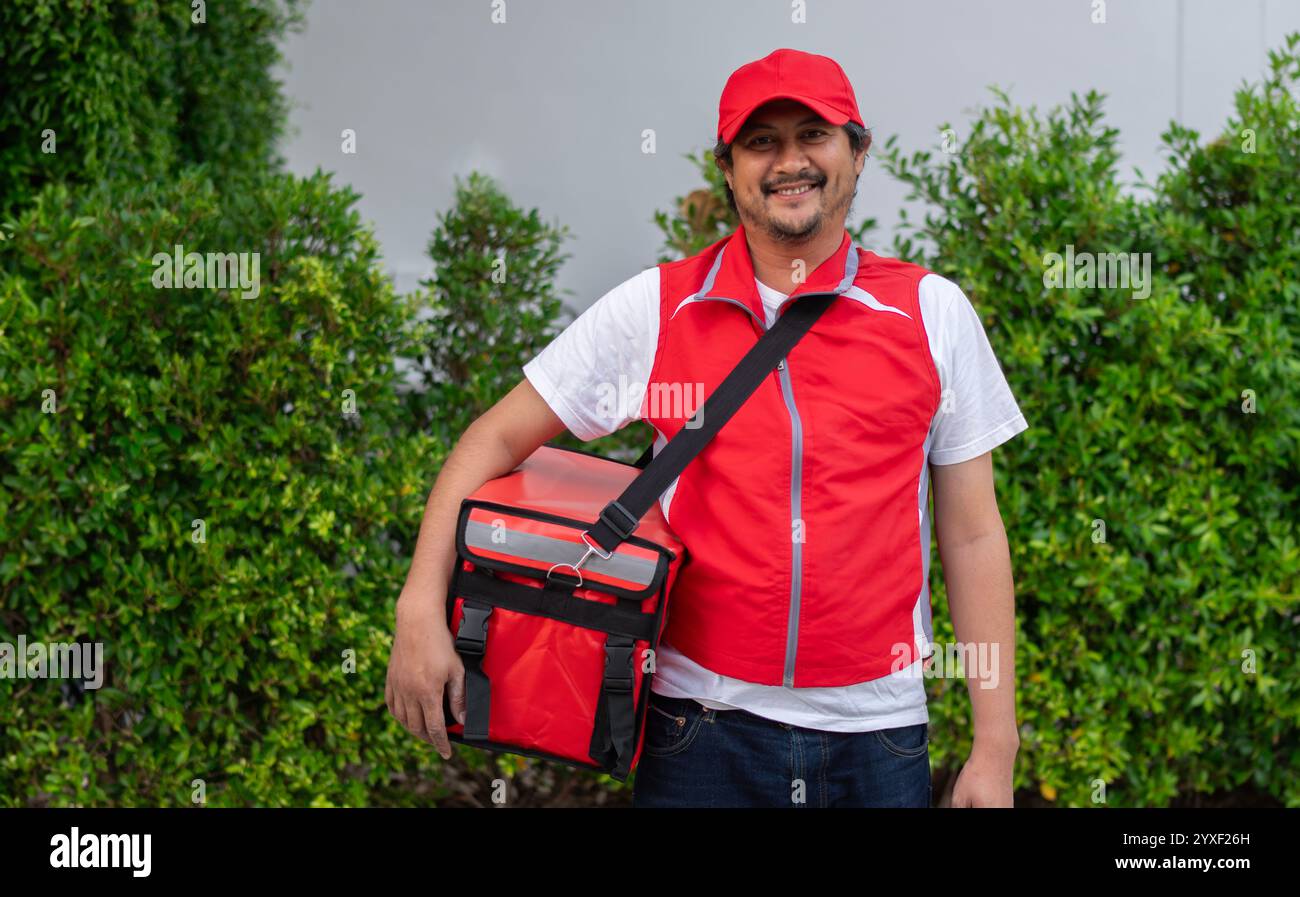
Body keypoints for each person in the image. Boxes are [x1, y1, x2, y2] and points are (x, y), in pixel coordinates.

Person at [386, 48, 1027, 808]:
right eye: (761, 142)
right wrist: (417, 606)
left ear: (858, 151)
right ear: (728, 168)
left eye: (812, 135)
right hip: (699, 732)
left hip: (878, 738)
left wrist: (996, 744)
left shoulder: (931, 312)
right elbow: (491, 440)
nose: (789, 161)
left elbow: (974, 535)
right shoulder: (659, 309)